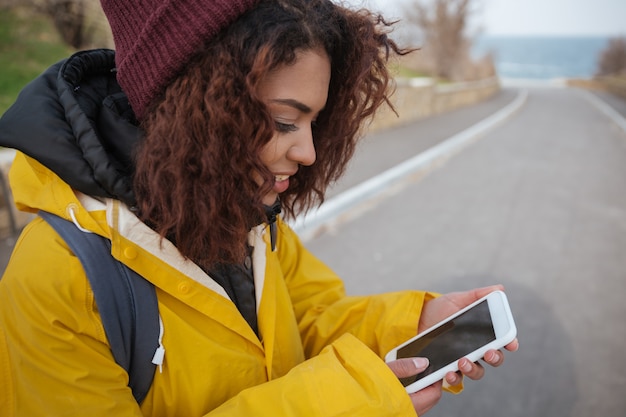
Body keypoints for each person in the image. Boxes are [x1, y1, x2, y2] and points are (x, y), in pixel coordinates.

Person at [0, 0, 518, 415]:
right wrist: (353, 399)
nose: (309, 153)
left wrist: (415, 322)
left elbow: (312, 318)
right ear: (198, 105)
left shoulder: (247, 220)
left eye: (314, 122)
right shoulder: (55, 281)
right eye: (285, 121)